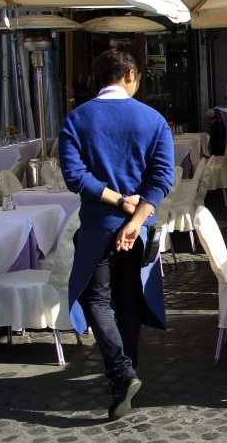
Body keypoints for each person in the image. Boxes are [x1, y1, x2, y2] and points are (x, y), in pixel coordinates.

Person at [59, 48, 174, 420]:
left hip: (97, 227)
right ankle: (127, 374)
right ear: (130, 75)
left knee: (96, 300)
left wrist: (118, 202)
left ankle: (121, 373)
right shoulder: (153, 119)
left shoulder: (77, 119)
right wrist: (135, 218)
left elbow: (76, 177)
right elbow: (161, 180)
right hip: (136, 231)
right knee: (128, 301)